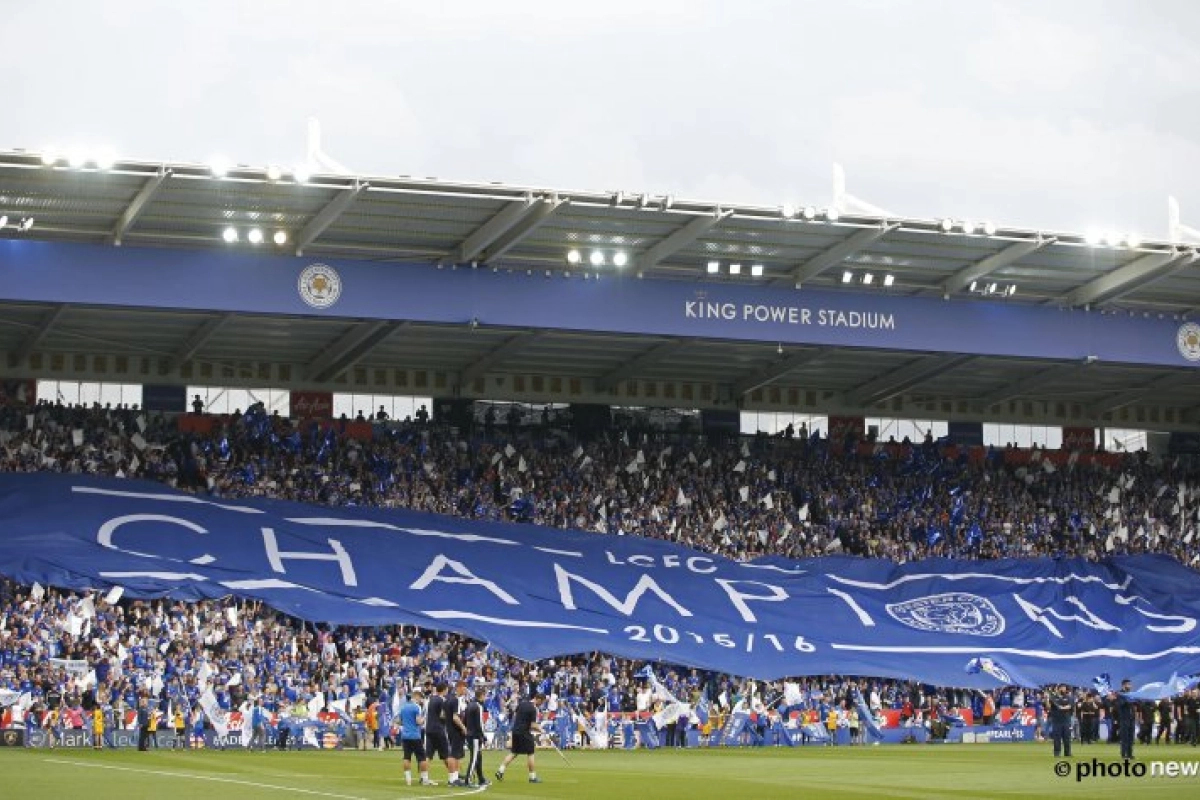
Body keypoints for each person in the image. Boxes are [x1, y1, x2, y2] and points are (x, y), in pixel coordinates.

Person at [496, 692, 546, 784]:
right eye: (542, 702)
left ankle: (500, 771)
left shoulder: (522, 703)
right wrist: (541, 730)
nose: (541, 704)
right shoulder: (533, 709)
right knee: (531, 753)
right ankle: (532, 777)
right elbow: (533, 725)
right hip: (524, 732)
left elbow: (516, 715)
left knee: (514, 752)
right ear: (538, 699)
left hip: (515, 731)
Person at [400, 689, 437, 787]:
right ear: (416, 696)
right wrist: (424, 719)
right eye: (420, 696)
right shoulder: (417, 707)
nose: (421, 698)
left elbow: (399, 721)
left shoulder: (403, 707)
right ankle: (425, 779)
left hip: (405, 735)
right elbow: (418, 721)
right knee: (422, 758)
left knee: (407, 757)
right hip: (415, 736)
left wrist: (407, 724)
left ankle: (408, 780)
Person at [424, 684, 452, 782]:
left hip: (429, 728)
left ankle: (424, 778)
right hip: (439, 729)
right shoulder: (442, 700)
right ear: (444, 690)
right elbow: (442, 715)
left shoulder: (431, 699)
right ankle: (452, 778)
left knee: (428, 755)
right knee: (447, 754)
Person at [464, 687, 489, 787]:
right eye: (485, 696)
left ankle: (481, 779)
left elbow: (465, 720)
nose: (485, 698)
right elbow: (480, 724)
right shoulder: (478, 706)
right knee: (474, 758)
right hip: (475, 736)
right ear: (481, 696)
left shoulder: (469, 705)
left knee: (478, 757)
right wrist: (484, 737)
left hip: (470, 734)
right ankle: (468, 780)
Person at [1048, 684, 1075, 758]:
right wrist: (1047, 700)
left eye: (1064, 688)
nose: (1063, 689)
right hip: (1056, 721)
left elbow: (1070, 706)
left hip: (1066, 721)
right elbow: (1049, 707)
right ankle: (1057, 753)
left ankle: (1067, 752)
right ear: (1058, 689)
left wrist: (1062, 708)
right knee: (1057, 738)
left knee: (1067, 738)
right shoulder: (1053, 698)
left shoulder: (1069, 697)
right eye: (1062, 688)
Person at [1115, 680, 1136, 760]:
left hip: (1131, 718)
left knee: (1131, 737)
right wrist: (1127, 700)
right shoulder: (1120, 694)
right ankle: (1124, 754)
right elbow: (1120, 704)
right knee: (1125, 737)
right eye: (1128, 684)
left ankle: (1130, 754)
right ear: (1124, 685)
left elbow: (1134, 705)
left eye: (1130, 684)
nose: (1130, 686)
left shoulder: (1131, 694)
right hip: (1124, 718)